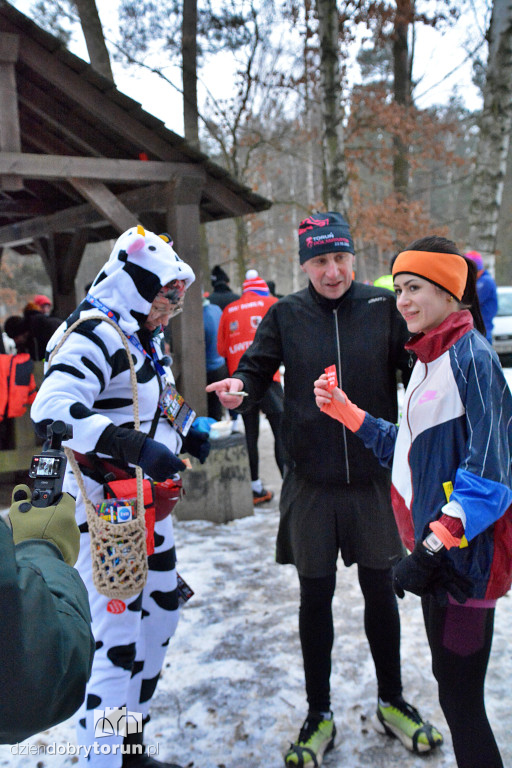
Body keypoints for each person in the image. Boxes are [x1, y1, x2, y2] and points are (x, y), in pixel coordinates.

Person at [207, 212, 442, 767]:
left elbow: (414, 371)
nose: (332, 271)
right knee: (315, 598)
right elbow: (258, 368)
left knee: (381, 593)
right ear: (305, 264)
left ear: (353, 259)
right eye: (319, 261)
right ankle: (319, 713)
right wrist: (241, 386)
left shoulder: (382, 307)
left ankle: (392, 700)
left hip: (372, 480)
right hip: (310, 479)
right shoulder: (285, 313)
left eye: (340, 259)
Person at [314, 236, 512, 768]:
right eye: (399, 288)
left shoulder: (473, 358)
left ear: (450, 291)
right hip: (436, 561)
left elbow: (490, 475)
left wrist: (431, 549)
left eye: (415, 288)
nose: (402, 300)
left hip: (465, 564)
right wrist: (348, 413)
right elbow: (409, 451)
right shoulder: (430, 356)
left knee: (462, 702)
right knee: (451, 694)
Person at [31, 226, 209, 768]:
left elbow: (153, 389)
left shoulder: (139, 332)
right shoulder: (94, 331)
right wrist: (134, 446)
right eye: (164, 298)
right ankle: (103, 757)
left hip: (148, 508)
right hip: (103, 509)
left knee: (158, 621)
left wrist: (191, 427)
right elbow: (53, 407)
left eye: (177, 301)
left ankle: (127, 742)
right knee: (115, 644)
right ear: (133, 285)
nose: (169, 311)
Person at [1, 483, 94, 744]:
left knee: (145, 646)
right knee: (114, 665)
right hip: (81, 557)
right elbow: (37, 671)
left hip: (141, 529)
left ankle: (133, 743)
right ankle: (108, 754)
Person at [216, 270, 286, 505]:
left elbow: (221, 350)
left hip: (240, 381)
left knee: (250, 434)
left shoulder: (229, 311)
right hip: (269, 379)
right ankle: (289, 485)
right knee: (281, 432)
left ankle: (255, 487)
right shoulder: (273, 303)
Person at [203, 294, 229, 422]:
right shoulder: (216, 309)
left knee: (210, 409)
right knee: (217, 408)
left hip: (208, 368)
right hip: (221, 364)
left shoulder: (199, 317)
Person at [465, 250, 498, 344]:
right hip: (478, 330)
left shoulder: (485, 282)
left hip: (482, 330)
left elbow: (468, 301)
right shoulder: (480, 281)